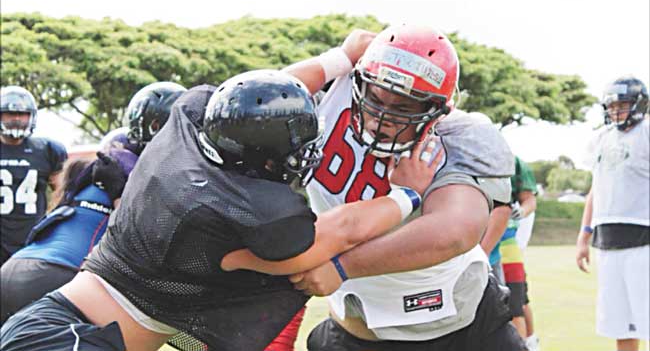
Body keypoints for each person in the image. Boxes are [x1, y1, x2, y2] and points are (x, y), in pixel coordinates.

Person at [1, 70, 438, 351]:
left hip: (58, 318)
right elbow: (340, 232)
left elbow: (255, 90)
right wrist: (408, 195)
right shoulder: (243, 212)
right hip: (72, 337)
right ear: (268, 156)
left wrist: (339, 56)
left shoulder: (184, 137)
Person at [260, 24, 524, 350]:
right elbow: (257, 103)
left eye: (403, 108)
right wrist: (338, 58)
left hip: (461, 332)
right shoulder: (330, 100)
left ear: (437, 111)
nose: (381, 117)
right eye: (376, 97)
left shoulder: (457, 136)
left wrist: (343, 267)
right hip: (355, 334)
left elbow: (455, 229)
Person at [0, 150, 136, 324]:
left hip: (13, 267)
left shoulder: (81, 181)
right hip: (59, 272)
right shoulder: (124, 194)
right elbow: (130, 233)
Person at [576, 76, 649, 351]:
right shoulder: (600, 139)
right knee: (620, 325)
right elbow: (597, 188)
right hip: (607, 241)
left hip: (643, 238)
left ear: (639, 104)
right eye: (611, 105)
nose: (616, 110)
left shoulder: (647, 133)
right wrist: (584, 236)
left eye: (623, 104)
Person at [1, 86, 68, 265]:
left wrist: (50, 223)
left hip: (32, 237)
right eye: (10, 114)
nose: (16, 119)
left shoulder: (47, 150)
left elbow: (61, 193)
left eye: (22, 114)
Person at [498, 156, 539, 349]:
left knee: (516, 306)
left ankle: (528, 342)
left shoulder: (514, 162)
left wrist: (521, 211)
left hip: (507, 245)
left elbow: (529, 200)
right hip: (476, 246)